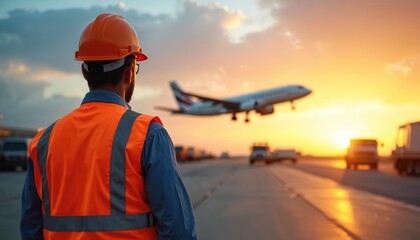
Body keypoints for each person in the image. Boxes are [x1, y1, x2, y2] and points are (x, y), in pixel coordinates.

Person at [20, 13, 197, 240]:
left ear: (84, 71)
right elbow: (178, 230)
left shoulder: (43, 141)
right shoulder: (148, 135)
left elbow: (30, 228)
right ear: (130, 72)